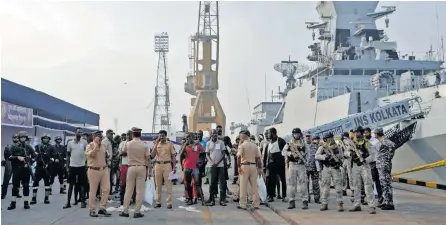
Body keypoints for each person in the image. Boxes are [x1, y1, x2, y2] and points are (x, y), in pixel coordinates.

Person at [119, 127, 152, 218]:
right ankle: (137, 211)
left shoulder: (128, 144)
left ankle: (125, 211)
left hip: (131, 168)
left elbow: (123, 152)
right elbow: (148, 159)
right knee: (139, 191)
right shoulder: (144, 145)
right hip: (141, 168)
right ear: (140, 134)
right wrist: (150, 171)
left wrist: (126, 140)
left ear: (133, 134)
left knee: (128, 190)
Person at [346, 126, 376, 214]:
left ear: (361, 133)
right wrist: (350, 153)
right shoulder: (352, 143)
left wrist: (364, 159)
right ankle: (357, 204)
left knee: (368, 185)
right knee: (356, 185)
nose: (356, 134)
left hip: (364, 165)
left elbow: (372, 155)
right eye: (355, 132)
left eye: (358, 132)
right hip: (355, 166)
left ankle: (371, 205)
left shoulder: (367, 143)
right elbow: (345, 152)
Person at [6, 131, 36, 210]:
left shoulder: (28, 146)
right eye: (21, 137)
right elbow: (9, 157)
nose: (23, 139)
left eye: (24, 137)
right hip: (17, 169)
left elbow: (34, 156)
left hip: (26, 169)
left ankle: (26, 203)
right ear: (19, 138)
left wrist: (30, 161)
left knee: (26, 186)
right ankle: (13, 203)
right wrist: (17, 157)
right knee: (15, 187)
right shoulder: (14, 146)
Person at [315, 133, 344, 212]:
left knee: (338, 187)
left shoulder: (337, 146)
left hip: (335, 168)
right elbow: (316, 156)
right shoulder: (323, 147)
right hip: (326, 168)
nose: (327, 140)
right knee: (325, 187)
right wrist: (325, 157)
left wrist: (338, 160)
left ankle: (339, 203)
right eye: (326, 139)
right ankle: (324, 203)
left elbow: (342, 156)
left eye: (328, 138)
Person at [86, 130, 112, 217]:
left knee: (106, 189)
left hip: (104, 170)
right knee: (93, 191)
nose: (100, 137)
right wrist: (96, 145)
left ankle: (102, 208)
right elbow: (92, 155)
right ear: (93, 136)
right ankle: (92, 209)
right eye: (98, 136)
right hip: (93, 170)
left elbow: (107, 156)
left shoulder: (103, 145)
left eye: (101, 136)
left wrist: (109, 156)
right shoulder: (89, 146)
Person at [150, 130, 176, 209]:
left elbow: (173, 156)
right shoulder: (156, 144)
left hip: (167, 165)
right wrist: (156, 144)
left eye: (163, 136)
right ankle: (158, 202)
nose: (161, 137)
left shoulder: (170, 144)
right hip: (158, 165)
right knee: (158, 185)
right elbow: (152, 155)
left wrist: (174, 167)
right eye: (160, 136)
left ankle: (169, 203)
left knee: (168, 184)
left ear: (165, 136)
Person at [236, 130, 262, 210]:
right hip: (253, 166)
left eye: (240, 136)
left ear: (242, 137)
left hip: (244, 166)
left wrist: (239, 167)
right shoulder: (255, 145)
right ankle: (256, 203)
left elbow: (239, 157)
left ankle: (243, 203)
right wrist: (260, 168)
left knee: (243, 186)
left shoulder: (242, 145)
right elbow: (258, 159)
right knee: (254, 186)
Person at [64, 128, 88, 209]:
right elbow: (67, 155)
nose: (80, 133)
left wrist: (87, 163)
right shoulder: (70, 143)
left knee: (82, 185)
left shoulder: (84, 142)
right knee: (71, 185)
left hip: (81, 166)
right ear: (75, 133)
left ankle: (83, 202)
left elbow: (88, 152)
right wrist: (67, 166)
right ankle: (68, 203)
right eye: (79, 132)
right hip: (72, 166)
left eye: (81, 132)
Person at [285, 128, 309, 210]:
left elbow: (308, 154)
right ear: (293, 134)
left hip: (301, 166)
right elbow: (283, 152)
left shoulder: (304, 144)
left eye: (298, 133)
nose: (297, 135)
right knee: (292, 184)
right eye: (295, 134)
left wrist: (305, 161)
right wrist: (291, 153)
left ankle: (305, 201)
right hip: (292, 165)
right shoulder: (289, 143)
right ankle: (292, 201)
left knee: (303, 183)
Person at [263, 127, 287, 202]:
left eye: (269, 133)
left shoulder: (281, 141)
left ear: (273, 133)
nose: (268, 134)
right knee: (270, 181)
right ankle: (270, 196)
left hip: (280, 164)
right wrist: (264, 166)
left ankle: (284, 196)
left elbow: (286, 150)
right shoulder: (268, 144)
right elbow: (265, 156)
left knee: (283, 180)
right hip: (271, 165)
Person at [374, 128, 395, 210]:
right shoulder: (381, 141)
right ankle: (386, 201)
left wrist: (388, 157)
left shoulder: (384, 140)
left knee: (386, 184)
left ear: (377, 134)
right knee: (383, 184)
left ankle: (390, 203)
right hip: (382, 166)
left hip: (384, 166)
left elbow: (393, 145)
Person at [180, 132, 205, 205]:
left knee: (197, 184)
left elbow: (203, 153)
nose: (187, 138)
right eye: (186, 137)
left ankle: (202, 200)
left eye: (189, 137)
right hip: (187, 167)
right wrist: (184, 144)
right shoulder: (185, 146)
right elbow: (181, 155)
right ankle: (190, 199)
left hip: (195, 168)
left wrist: (201, 162)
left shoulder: (197, 145)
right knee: (188, 184)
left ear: (192, 137)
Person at [205, 129, 227, 206]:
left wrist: (217, 163)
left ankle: (222, 200)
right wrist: (211, 162)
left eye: (216, 134)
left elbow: (223, 154)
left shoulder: (221, 142)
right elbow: (207, 154)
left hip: (220, 166)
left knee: (222, 183)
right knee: (212, 183)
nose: (214, 135)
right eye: (213, 134)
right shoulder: (208, 143)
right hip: (211, 166)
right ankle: (211, 199)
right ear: (210, 135)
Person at [31, 133, 55, 205]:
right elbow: (34, 156)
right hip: (39, 167)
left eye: (47, 138)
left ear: (49, 140)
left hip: (47, 167)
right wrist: (35, 157)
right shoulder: (37, 146)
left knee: (47, 183)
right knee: (35, 183)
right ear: (42, 139)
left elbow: (53, 157)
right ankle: (34, 198)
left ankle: (46, 198)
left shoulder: (51, 147)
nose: (45, 139)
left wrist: (48, 163)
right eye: (44, 138)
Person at [365, 127, 383, 205]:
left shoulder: (375, 141)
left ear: (370, 133)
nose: (365, 134)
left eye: (367, 132)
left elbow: (380, 152)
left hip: (374, 163)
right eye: (364, 133)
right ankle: (369, 199)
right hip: (367, 163)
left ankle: (380, 198)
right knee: (368, 182)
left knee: (377, 181)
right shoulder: (364, 142)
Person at [2, 134, 19, 199]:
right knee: (6, 179)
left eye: (17, 138)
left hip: (17, 163)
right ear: (12, 138)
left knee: (17, 179)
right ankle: (3, 194)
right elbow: (6, 155)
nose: (16, 139)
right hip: (9, 162)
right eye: (15, 138)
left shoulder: (20, 147)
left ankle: (16, 193)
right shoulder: (8, 146)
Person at [306, 135, 321, 204]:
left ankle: (317, 198)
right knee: (306, 184)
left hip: (314, 167)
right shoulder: (303, 145)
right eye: (306, 136)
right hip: (305, 168)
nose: (308, 138)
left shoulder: (315, 145)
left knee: (316, 184)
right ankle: (307, 198)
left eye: (309, 136)